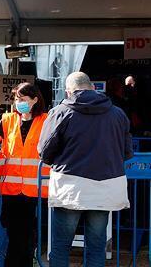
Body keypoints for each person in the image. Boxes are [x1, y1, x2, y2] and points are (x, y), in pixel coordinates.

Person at [38, 72, 132, 267]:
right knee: (97, 246)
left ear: (68, 91)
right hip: (106, 186)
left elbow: (44, 151)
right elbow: (126, 152)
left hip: (70, 186)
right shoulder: (117, 113)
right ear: (92, 87)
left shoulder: (60, 112)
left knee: (61, 246)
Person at [0, 82, 49, 267]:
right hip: (10, 188)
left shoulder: (46, 120)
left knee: (26, 234)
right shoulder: (7, 119)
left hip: (34, 189)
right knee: (12, 231)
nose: (19, 102)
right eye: (17, 99)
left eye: (23, 99)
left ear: (35, 100)